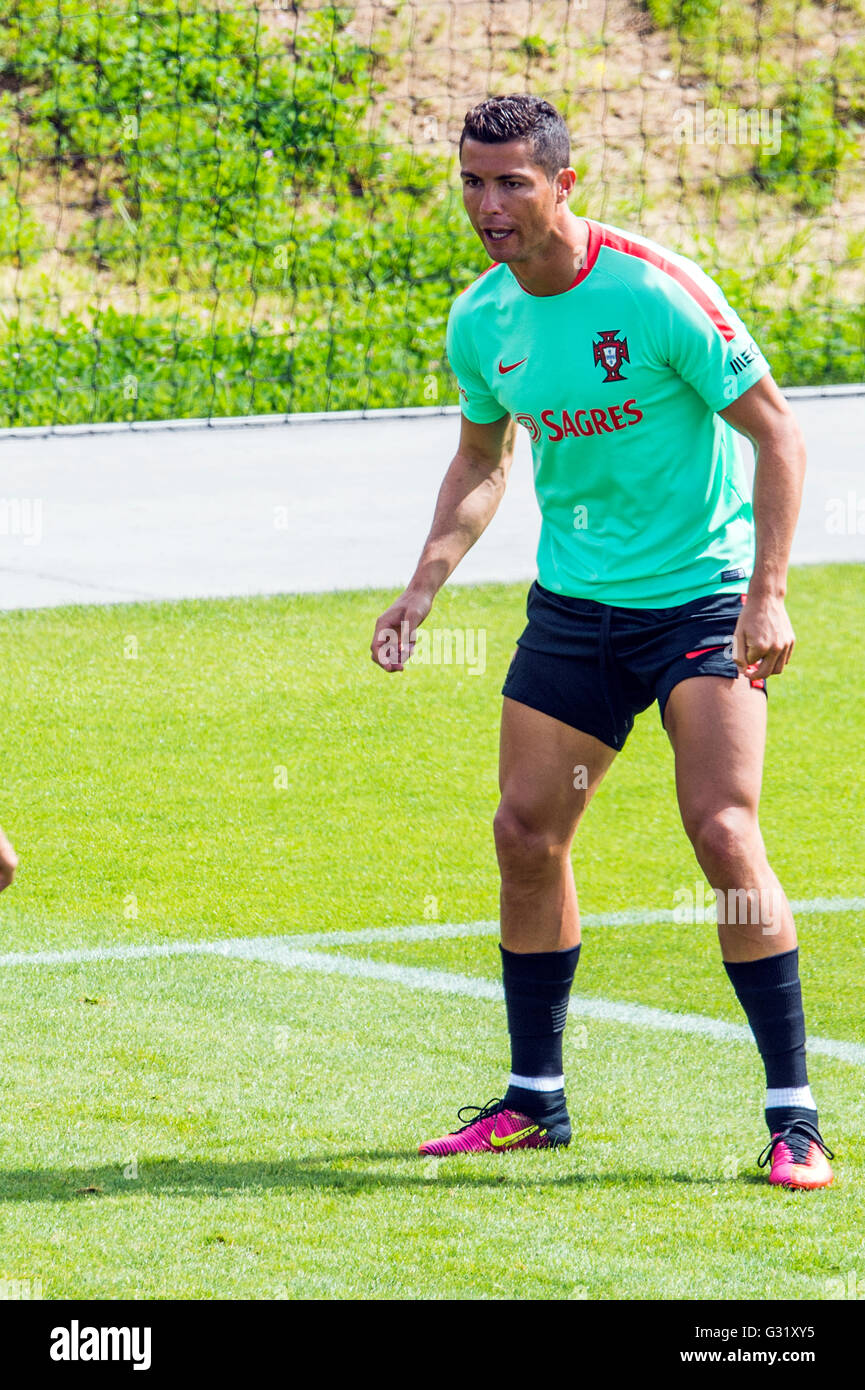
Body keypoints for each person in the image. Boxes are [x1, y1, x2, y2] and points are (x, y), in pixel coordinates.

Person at [370, 94, 833, 1189]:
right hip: (577, 607)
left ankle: (795, 1116)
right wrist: (422, 585)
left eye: (511, 182)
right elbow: (485, 460)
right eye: (473, 181)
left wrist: (765, 593)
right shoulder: (483, 320)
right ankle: (534, 1100)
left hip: (698, 601)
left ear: (562, 184)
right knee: (525, 832)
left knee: (722, 830)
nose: (488, 204)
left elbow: (777, 432)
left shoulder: (652, 288)